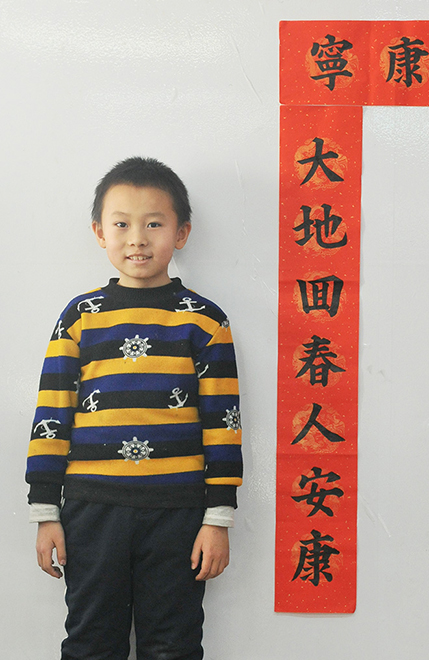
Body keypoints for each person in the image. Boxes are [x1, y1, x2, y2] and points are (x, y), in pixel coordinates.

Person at [25, 156, 243, 660]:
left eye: (154, 224)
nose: (137, 239)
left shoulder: (206, 322)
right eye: (122, 224)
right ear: (100, 233)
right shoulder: (80, 317)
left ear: (181, 233)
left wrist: (218, 518)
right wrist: (45, 511)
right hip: (90, 510)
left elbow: (223, 423)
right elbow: (52, 412)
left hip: (179, 513)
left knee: (174, 644)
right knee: (90, 642)